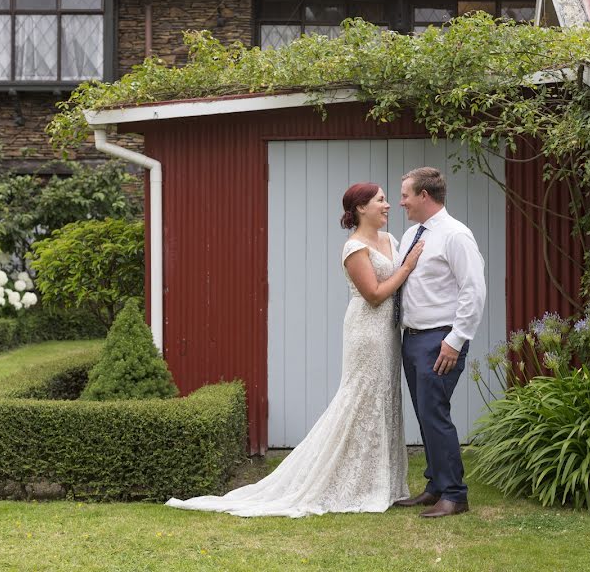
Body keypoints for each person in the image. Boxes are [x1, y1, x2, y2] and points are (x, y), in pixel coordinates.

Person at [165, 182, 423, 517]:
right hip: (366, 332)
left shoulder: (390, 240)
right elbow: (373, 294)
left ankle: (382, 483)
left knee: (385, 397)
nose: (388, 205)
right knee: (361, 398)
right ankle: (345, 482)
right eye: (380, 200)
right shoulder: (354, 247)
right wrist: (407, 267)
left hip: (389, 333)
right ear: (361, 208)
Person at [392, 167, 486, 519]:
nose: (401, 202)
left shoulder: (455, 235)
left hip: (440, 340)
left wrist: (455, 340)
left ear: (424, 196)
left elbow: (473, 291)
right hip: (412, 339)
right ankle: (435, 486)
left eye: (405, 195)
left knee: (435, 414)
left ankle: (454, 494)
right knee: (424, 414)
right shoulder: (411, 235)